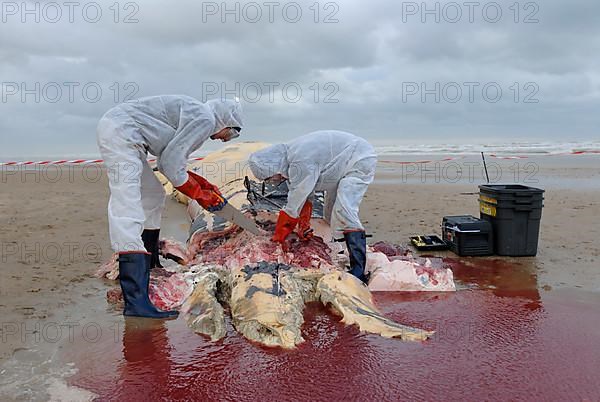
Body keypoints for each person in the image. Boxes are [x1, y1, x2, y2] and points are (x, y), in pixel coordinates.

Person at [97, 95, 243, 318]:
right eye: (231, 132)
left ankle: (151, 262)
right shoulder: (204, 119)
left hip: (127, 135)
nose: (226, 140)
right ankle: (136, 302)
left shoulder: (198, 116)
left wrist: (203, 185)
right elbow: (170, 165)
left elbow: (172, 160)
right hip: (121, 134)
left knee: (154, 194)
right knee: (127, 204)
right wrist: (200, 195)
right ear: (225, 120)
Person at [248, 130, 376, 283]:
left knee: (344, 210)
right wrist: (303, 226)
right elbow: (306, 196)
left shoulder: (299, 160)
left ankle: (358, 270)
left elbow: (295, 202)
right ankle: (339, 250)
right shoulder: (290, 162)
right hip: (340, 166)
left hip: (359, 159)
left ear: (273, 167)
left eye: (270, 177)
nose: (275, 180)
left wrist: (280, 236)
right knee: (329, 215)